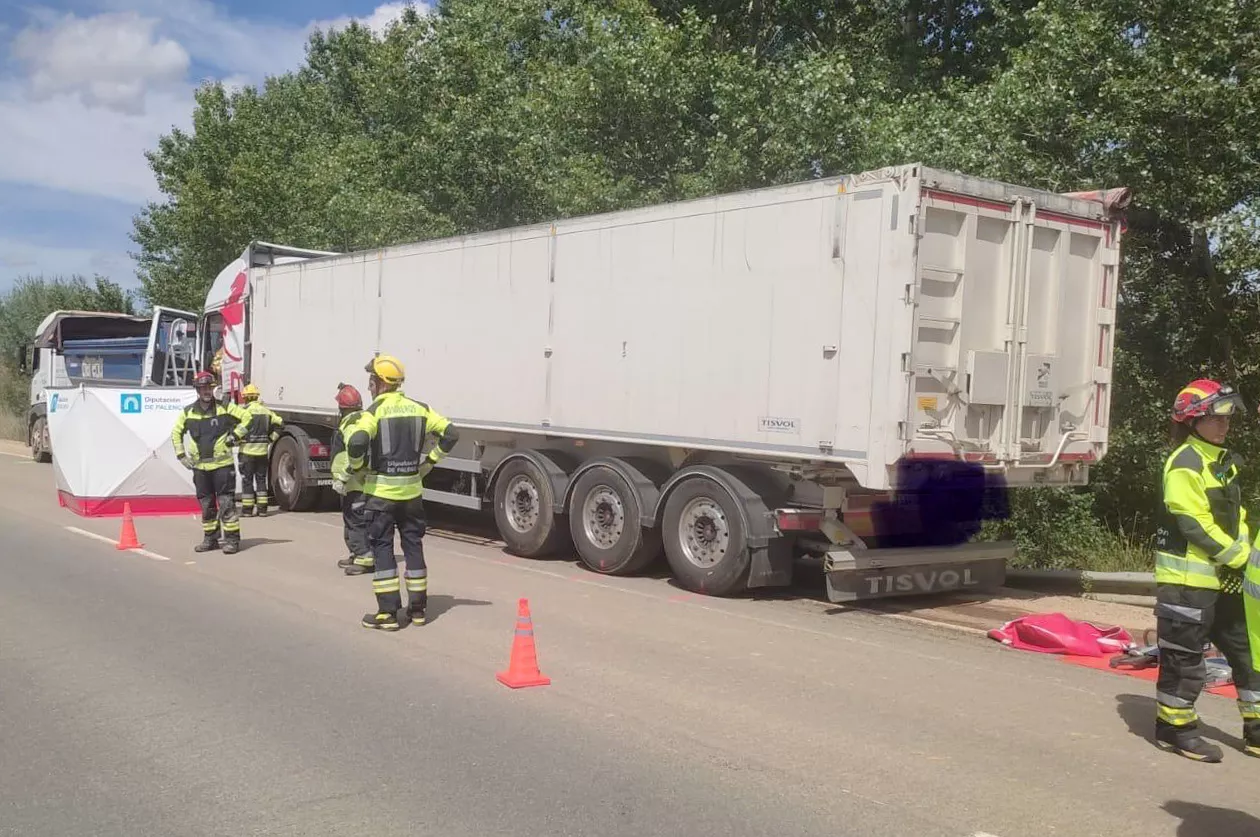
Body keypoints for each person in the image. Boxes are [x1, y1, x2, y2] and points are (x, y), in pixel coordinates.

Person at [1152, 378, 1260, 761]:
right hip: (1188, 582)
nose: (1224, 425)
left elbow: (1237, 515)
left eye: (1228, 418)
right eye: (1216, 418)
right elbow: (1192, 523)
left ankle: (1256, 729)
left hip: (1225, 579)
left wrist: (1244, 549)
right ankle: (1175, 728)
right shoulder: (1185, 462)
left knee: (1248, 653)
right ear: (1192, 420)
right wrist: (1239, 556)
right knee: (1185, 659)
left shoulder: (1220, 462)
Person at [343, 354, 459, 630]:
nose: (369, 386)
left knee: (382, 547)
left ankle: (388, 614)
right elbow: (451, 433)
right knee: (413, 546)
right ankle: (418, 610)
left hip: (381, 494)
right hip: (412, 494)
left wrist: (357, 468)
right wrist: (430, 462)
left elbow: (357, 441)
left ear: (381, 383)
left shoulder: (373, 412)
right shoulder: (420, 408)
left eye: (372, 381)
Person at [172, 370, 250, 554]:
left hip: (222, 467)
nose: (207, 391)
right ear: (197, 390)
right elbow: (176, 433)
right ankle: (210, 539)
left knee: (226, 504)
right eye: (203, 388)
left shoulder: (225, 407)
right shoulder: (188, 412)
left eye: (209, 387)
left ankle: (232, 540)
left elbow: (248, 418)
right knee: (206, 505)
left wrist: (235, 436)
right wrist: (182, 456)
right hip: (200, 468)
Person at [330, 383, 372, 575]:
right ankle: (356, 552)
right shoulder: (364, 419)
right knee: (351, 518)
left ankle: (364, 557)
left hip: (354, 483)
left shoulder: (351, 425)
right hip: (355, 483)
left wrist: (344, 477)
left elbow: (355, 452)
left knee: (356, 520)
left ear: (342, 408)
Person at [237, 383, 283, 517]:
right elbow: (280, 423)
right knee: (261, 480)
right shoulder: (266, 411)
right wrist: (270, 439)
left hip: (246, 452)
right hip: (262, 452)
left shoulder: (243, 412)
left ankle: (247, 510)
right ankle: (262, 510)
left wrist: (237, 440)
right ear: (256, 397)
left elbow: (237, 430)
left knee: (247, 481)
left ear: (245, 397)